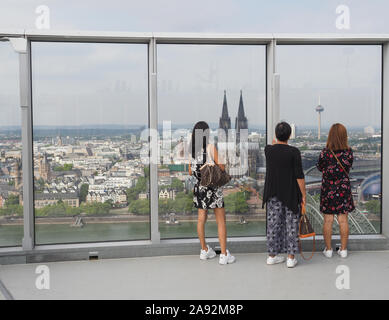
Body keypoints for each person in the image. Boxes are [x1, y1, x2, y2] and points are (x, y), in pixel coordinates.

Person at [188, 121, 235, 265]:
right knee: (221, 220)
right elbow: (221, 166)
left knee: (201, 219)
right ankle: (224, 254)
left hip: (199, 188)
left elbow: (190, 171)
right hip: (213, 189)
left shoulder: (192, 150)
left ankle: (204, 250)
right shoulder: (210, 147)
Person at [262, 122, 306, 268]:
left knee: (273, 225)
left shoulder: (268, 150)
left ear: (275, 135)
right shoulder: (294, 152)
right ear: (289, 135)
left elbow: (274, 144)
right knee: (291, 225)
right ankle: (290, 258)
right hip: (290, 194)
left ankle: (271, 256)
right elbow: (299, 177)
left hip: (273, 193)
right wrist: (304, 196)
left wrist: (277, 139)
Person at [317, 123, 354, 259]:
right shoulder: (348, 152)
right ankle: (343, 250)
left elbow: (320, 167)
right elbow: (349, 167)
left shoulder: (324, 153)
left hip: (328, 189)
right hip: (343, 189)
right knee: (343, 220)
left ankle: (328, 250)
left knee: (328, 220)